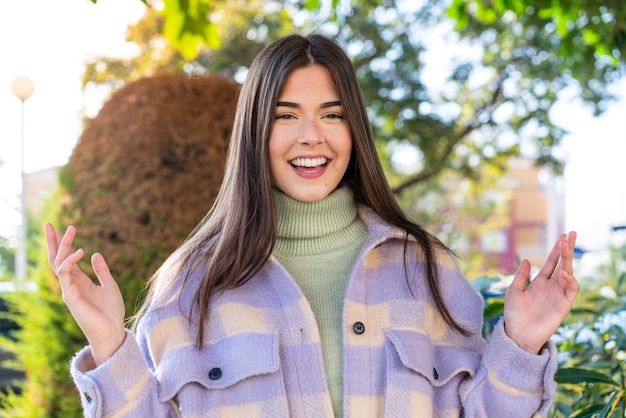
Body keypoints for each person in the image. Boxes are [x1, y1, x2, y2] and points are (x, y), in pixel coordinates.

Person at [45, 33, 579, 417]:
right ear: (256, 131)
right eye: (284, 115)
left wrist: (522, 343)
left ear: (355, 128)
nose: (311, 136)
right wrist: (112, 343)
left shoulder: (428, 271)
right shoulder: (190, 284)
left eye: (332, 113)